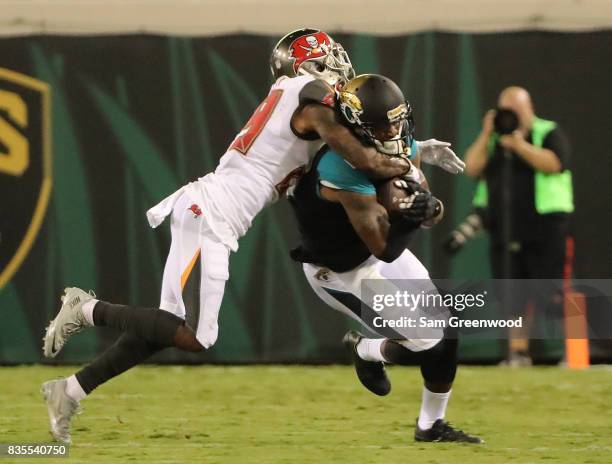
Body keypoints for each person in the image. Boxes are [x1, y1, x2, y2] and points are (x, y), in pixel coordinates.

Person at [39, 29, 462, 444]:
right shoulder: (310, 94)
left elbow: (360, 146)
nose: (338, 66)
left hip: (213, 213)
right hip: (212, 215)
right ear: (310, 66)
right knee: (196, 336)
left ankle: (70, 391)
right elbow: (363, 156)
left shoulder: (298, 99)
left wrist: (417, 147)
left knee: (168, 329)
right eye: (328, 59)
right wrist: (411, 160)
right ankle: (88, 308)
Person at [289, 74, 482, 443]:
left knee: (447, 329)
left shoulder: (400, 142)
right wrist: (415, 214)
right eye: (381, 124)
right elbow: (385, 247)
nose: (393, 129)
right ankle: (366, 348)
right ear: (355, 126)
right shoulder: (339, 168)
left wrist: (429, 207)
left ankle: (431, 426)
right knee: (427, 342)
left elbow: (428, 210)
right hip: (340, 270)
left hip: (373, 252)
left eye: (397, 119)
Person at [464, 86, 574, 366]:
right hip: (505, 229)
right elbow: (471, 167)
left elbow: (554, 163)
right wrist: (488, 133)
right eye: (506, 110)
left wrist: (519, 145)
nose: (511, 115)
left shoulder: (548, 132)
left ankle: (570, 353)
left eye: (516, 109)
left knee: (551, 292)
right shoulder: (494, 139)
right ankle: (518, 353)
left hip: (546, 228)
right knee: (512, 294)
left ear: (529, 108)